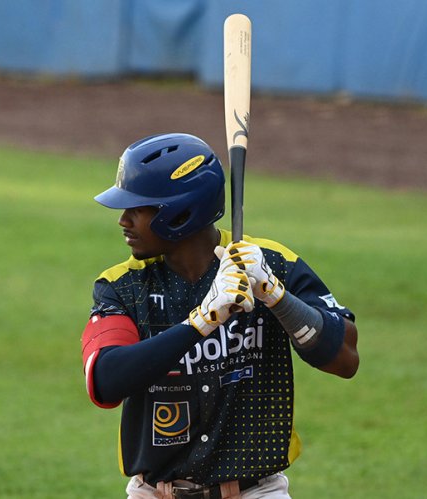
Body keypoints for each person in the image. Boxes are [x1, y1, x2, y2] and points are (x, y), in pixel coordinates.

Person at [81, 133, 359, 499]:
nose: (124, 221)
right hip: (156, 492)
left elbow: (345, 357)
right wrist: (200, 323)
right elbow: (105, 381)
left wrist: (276, 297)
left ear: (180, 212)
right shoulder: (122, 285)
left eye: (138, 208)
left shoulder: (270, 263)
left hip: (257, 492)